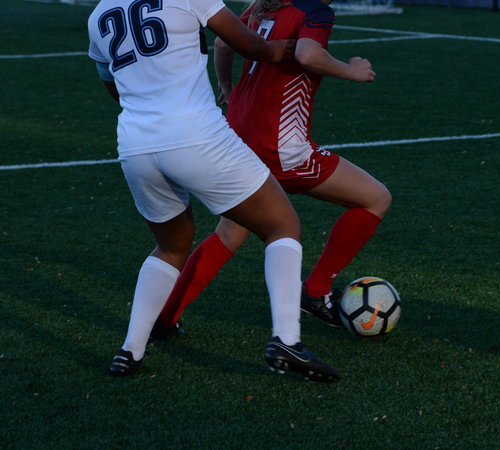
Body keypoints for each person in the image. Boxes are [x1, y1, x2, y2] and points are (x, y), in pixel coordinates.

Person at [87, 0, 339, 382]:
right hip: (194, 135)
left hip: (136, 145)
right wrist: (275, 50)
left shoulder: (98, 16)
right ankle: (287, 341)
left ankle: (129, 351)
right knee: (281, 224)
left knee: (170, 247)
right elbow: (246, 43)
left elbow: (113, 88)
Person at [152, 0, 391, 336]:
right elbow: (308, 55)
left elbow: (223, 43)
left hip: (238, 137)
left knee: (230, 233)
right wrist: (352, 70)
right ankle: (316, 291)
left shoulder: (266, 5)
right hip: (281, 146)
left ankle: (165, 318)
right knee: (375, 198)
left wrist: (226, 87)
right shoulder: (315, 11)